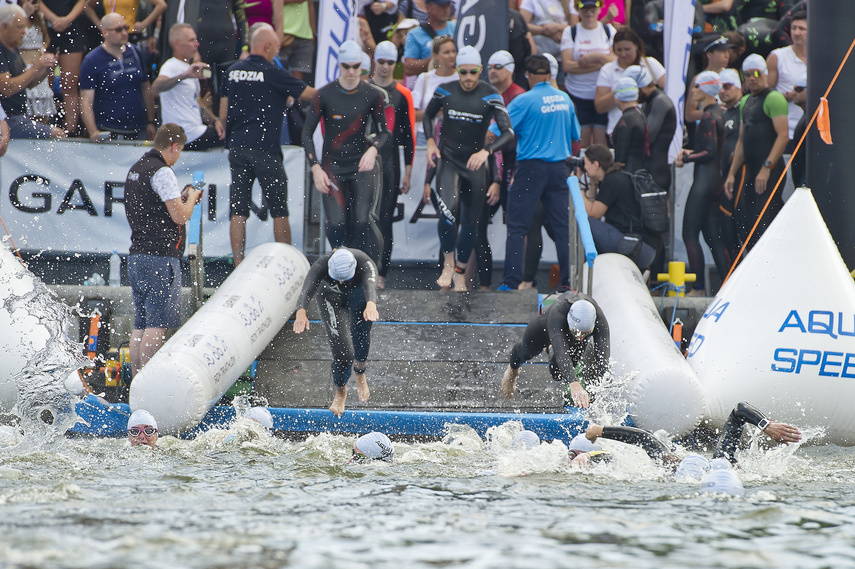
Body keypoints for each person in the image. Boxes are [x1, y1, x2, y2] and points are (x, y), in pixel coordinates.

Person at [220, 23, 314, 266]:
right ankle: (285, 263)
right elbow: (311, 95)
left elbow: (223, 112)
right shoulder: (273, 72)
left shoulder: (232, 71)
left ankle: (238, 263)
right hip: (266, 150)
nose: (277, 51)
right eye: (277, 47)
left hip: (238, 147)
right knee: (279, 209)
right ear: (268, 46)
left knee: (237, 209)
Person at [423, 45, 514, 291]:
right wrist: (431, 142)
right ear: (457, 71)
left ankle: (461, 272)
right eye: (463, 73)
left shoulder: (491, 94)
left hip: (475, 165)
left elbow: (508, 133)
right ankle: (448, 265)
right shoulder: (445, 91)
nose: (468, 79)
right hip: (450, 161)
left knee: (472, 224)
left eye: (473, 73)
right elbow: (427, 116)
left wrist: (487, 151)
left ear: (481, 70)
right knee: (448, 214)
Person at [493, 54, 579, 292]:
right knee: (562, 228)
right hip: (560, 168)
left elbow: (496, 131)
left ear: (528, 76)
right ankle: (569, 282)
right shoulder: (565, 99)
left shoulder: (524, 100)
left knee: (518, 226)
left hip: (531, 167)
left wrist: (482, 147)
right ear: (550, 75)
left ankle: (511, 282)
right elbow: (576, 138)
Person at [125, 124, 203, 376]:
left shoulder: (137, 169)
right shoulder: (162, 172)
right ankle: (148, 383)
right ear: (174, 146)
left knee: (141, 324)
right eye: (179, 151)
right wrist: (190, 198)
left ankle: (136, 383)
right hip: (159, 258)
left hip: (137, 255)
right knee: (158, 325)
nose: (178, 156)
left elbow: (154, 208)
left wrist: (179, 198)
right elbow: (180, 217)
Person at [303, 41, 389, 265]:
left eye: (356, 66)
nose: (351, 72)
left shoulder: (372, 95)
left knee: (362, 221)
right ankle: (340, 268)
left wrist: (373, 149)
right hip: (332, 167)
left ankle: (361, 268)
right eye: (346, 66)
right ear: (339, 66)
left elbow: (384, 132)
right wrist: (315, 168)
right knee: (337, 223)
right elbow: (306, 134)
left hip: (361, 166)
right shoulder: (324, 95)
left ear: (362, 66)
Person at [584, 401, 802, 469]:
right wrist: (765, 425)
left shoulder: (671, 467)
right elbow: (739, 410)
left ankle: (586, 454)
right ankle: (588, 451)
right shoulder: (724, 459)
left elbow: (645, 439)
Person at [293, 248, 380, 418]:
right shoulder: (322, 264)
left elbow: (371, 286)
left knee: (361, 334)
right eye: (337, 278)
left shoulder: (364, 262)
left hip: (359, 297)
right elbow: (307, 289)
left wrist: (371, 303)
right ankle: (341, 390)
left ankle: (360, 372)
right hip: (330, 298)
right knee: (343, 352)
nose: (341, 282)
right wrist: (301, 311)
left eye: (344, 278)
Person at [723, 53, 789, 253]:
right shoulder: (745, 102)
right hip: (752, 172)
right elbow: (742, 141)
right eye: (747, 74)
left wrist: (767, 167)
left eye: (757, 73)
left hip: (771, 170)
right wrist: (732, 174)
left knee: (765, 223)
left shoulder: (774, 98)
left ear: (765, 73)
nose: (752, 78)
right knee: (748, 222)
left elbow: (783, 136)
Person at [501, 293, 610, 409]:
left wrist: (600, 393)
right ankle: (512, 371)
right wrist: (574, 383)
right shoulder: (558, 313)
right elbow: (562, 352)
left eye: (586, 334)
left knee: (558, 373)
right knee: (525, 351)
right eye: (577, 333)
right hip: (548, 325)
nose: (581, 338)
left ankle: (550, 348)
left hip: (566, 334)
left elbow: (603, 360)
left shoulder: (600, 320)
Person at [676, 70, 727, 296]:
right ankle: (727, 286)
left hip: (704, 182)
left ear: (705, 90)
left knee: (689, 234)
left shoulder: (707, 116)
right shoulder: (718, 113)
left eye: (696, 86)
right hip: (715, 180)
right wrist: (692, 152)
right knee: (712, 236)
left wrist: (687, 157)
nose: (693, 91)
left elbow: (709, 151)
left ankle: (698, 288)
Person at [476, 49, 524, 291]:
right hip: (493, 170)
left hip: (513, 169)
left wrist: (509, 173)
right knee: (476, 222)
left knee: (518, 226)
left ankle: (519, 281)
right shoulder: (488, 94)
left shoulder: (518, 96)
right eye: (490, 67)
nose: (492, 71)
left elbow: (505, 137)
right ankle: (481, 283)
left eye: (498, 67)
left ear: (510, 70)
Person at [370, 40, 415, 289]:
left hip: (389, 162)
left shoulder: (402, 93)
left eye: (390, 62)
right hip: (365, 161)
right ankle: (362, 266)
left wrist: (408, 171)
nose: (386, 67)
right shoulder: (364, 88)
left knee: (385, 219)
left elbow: (408, 135)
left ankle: (381, 272)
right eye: (382, 62)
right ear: (374, 62)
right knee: (362, 217)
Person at [79, 12, 156, 141]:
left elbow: (146, 88)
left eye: (126, 28)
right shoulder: (92, 60)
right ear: (104, 33)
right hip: (108, 129)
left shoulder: (135, 52)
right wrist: (93, 131)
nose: (124, 33)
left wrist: (151, 122)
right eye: (118, 30)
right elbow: (86, 100)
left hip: (138, 127)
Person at [581, 143, 656, 270]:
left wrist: (578, 186)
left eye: (586, 163)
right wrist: (593, 182)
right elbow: (594, 207)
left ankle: (585, 274)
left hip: (633, 245)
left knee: (583, 223)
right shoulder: (618, 176)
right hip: (642, 245)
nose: (583, 167)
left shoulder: (612, 181)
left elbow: (593, 213)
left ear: (596, 164)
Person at [154, 24, 224, 151]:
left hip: (194, 132)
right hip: (185, 134)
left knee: (225, 130)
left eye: (196, 40)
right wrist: (185, 75)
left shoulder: (189, 68)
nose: (197, 44)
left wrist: (216, 121)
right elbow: (156, 88)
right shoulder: (171, 65)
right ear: (177, 44)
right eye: (192, 40)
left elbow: (200, 105)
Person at [0, 4, 63, 139]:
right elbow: (7, 88)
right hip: (7, 120)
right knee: (56, 134)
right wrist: (36, 67)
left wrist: (45, 69)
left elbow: (27, 83)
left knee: (57, 131)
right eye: (19, 27)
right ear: (4, 27)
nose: (24, 31)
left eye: (24, 27)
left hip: (20, 116)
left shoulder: (12, 47)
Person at [560, 0, 616, 147]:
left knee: (601, 145)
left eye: (592, 8)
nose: (588, 12)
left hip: (602, 96)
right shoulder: (570, 32)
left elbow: (616, 61)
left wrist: (596, 57)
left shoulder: (609, 31)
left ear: (599, 9)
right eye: (584, 8)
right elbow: (567, 66)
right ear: (578, 10)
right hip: (578, 94)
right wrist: (600, 65)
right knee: (581, 145)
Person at [594, 27, 665, 137]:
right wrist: (621, 90)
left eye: (627, 49)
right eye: (619, 50)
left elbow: (669, 91)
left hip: (649, 129)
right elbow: (599, 107)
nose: (623, 54)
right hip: (618, 130)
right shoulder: (607, 69)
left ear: (636, 46)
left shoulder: (650, 64)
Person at [625, 64, 676, 191]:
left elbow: (647, 136)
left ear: (642, 86)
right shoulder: (648, 102)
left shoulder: (660, 101)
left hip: (656, 172)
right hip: (648, 169)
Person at [38, 0, 87, 134]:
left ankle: (70, 130)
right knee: (43, 85)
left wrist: (67, 19)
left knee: (70, 86)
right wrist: (53, 18)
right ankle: (42, 127)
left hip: (70, 28)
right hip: (45, 28)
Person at [717, 67, 745, 264]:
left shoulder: (745, 108)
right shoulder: (725, 114)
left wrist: (733, 174)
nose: (723, 91)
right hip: (725, 179)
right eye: (720, 87)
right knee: (727, 233)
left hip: (740, 178)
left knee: (743, 230)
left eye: (727, 86)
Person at [766, 9, 806, 142]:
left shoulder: (820, 57)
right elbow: (766, 93)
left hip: (812, 128)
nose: (796, 33)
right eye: (793, 28)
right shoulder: (777, 56)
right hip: (786, 130)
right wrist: (782, 97)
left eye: (802, 28)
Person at [411, 34, 456, 146]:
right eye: (446, 52)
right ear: (436, 55)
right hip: (425, 135)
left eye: (453, 51)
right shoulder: (424, 78)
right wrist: (433, 112)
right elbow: (413, 113)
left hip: (453, 135)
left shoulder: (461, 77)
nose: (451, 55)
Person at [402, 0, 455, 84]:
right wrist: (437, 59)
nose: (446, 9)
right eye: (441, 6)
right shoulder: (415, 34)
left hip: (455, 84)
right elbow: (409, 68)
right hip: (429, 85)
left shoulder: (457, 28)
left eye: (448, 5)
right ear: (428, 7)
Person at [610, 76, 647, 174]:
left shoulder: (627, 119)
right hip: (640, 171)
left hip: (628, 175)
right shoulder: (640, 113)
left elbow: (621, 156)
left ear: (618, 97)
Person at [279, 0, 314, 82]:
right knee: (278, 76)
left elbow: (310, 4)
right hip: (281, 35)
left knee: (297, 83)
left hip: (304, 35)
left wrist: (313, 32)